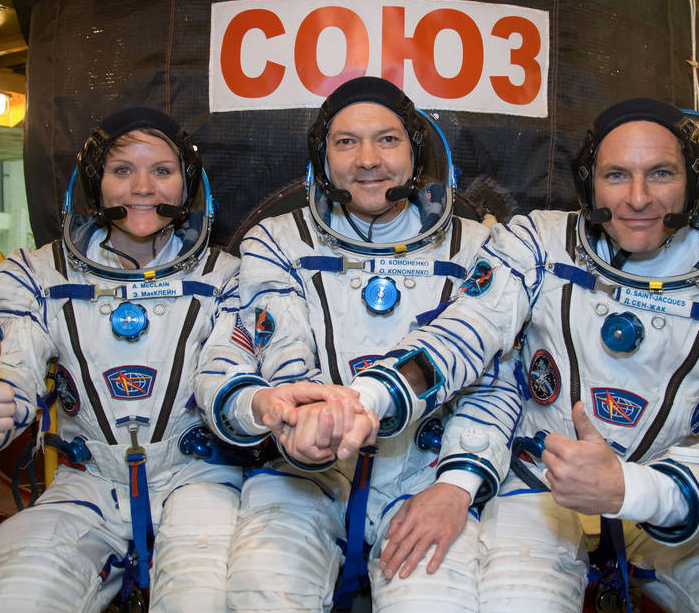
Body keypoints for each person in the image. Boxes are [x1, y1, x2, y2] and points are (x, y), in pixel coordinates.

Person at [331, 98, 699, 612]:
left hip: (677, 495)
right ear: (590, 185)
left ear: (694, 182)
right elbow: (461, 336)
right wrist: (365, 399)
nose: (639, 198)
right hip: (538, 487)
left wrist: (632, 489)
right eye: (616, 175)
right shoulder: (539, 246)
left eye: (661, 173)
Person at [193, 76, 510, 612]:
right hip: (303, 473)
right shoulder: (276, 242)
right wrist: (295, 419)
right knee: (262, 594)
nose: (367, 160)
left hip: (426, 474)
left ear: (415, 152)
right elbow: (262, 343)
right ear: (323, 159)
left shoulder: (476, 247)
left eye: (387, 140)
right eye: (346, 142)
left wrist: (457, 485)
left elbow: (498, 375)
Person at [0, 108, 253, 613]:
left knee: (204, 597)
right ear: (94, 183)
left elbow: (231, 373)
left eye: (162, 171)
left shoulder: (226, 277)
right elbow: (8, 369)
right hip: (86, 484)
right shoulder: (37, 274)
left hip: (197, 478)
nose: (142, 187)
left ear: (188, 186)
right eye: (122, 170)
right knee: (15, 594)